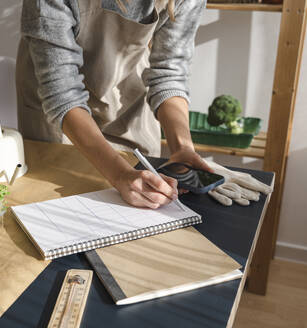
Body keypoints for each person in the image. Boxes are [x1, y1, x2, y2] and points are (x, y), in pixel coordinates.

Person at [16, 0, 211, 209]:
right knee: (56, 205)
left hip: (127, 98)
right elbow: (62, 93)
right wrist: (119, 174)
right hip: (59, 117)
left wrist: (182, 148)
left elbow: (169, 72)